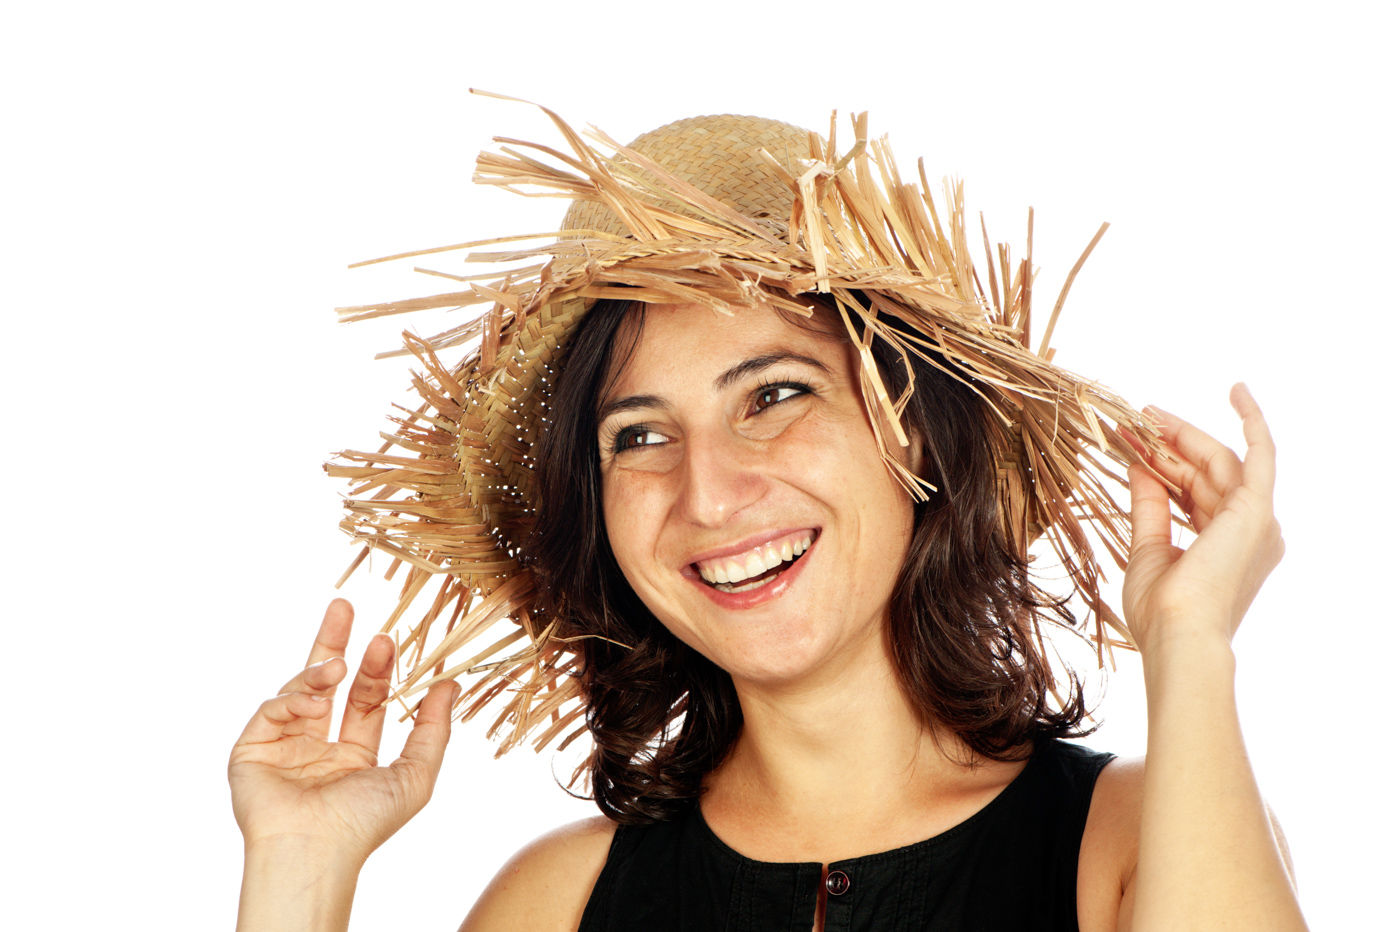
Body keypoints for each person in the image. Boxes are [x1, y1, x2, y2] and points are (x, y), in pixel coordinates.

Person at [229, 103, 1308, 931]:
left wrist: (1187, 642)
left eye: (774, 395)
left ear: (912, 428)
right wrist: (299, 867)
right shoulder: (559, 901)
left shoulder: (1127, 839)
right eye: (638, 434)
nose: (705, 493)